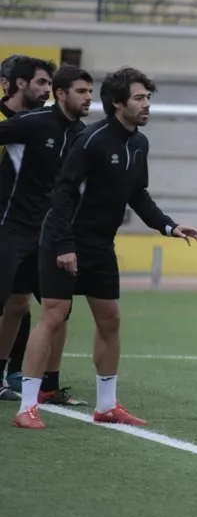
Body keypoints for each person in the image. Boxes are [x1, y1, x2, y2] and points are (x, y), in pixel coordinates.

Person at [12, 66, 197, 430]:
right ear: (118, 103)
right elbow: (63, 193)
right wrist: (65, 245)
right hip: (61, 240)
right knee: (53, 316)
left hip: (100, 245)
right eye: (139, 98)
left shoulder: (139, 143)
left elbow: (138, 195)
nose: (147, 105)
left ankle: (106, 406)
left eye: (148, 98)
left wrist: (169, 225)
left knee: (110, 319)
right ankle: (26, 407)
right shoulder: (92, 140)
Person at [0, 66, 93, 408]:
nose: (88, 97)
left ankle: (49, 386)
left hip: (51, 233)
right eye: (81, 91)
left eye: (90, 91)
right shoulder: (34, 122)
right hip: (11, 227)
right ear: (61, 93)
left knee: (59, 308)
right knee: (14, 304)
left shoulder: (83, 136)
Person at [0, 55, 57, 402]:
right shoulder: (17, 125)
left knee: (21, 303)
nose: (48, 90)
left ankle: (16, 372)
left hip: (32, 227)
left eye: (50, 84)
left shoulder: (42, 124)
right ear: (17, 83)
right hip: (8, 224)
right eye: (41, 83)